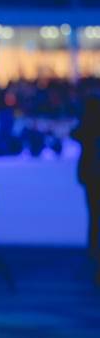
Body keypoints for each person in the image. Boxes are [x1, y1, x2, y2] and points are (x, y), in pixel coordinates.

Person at [71, 95, 100, 284]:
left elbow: (76, 134)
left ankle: (93, 253)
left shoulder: (87, 127)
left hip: (90, 176)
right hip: (92, 176)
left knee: (94, 216)